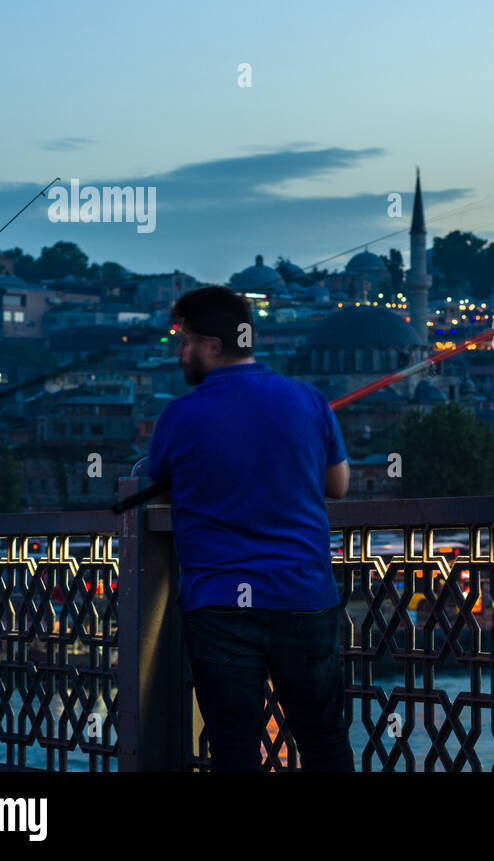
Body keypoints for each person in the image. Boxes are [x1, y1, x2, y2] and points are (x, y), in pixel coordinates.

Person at [145, 285, 353, 771]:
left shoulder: (179, 415)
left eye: (186, 341)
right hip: (302, 595)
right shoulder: (308, 398)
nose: (181, 353)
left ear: (212, 346)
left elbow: (159, 490)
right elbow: (338, 485)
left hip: (219, 604)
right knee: (323, 736)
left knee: (233, 747)